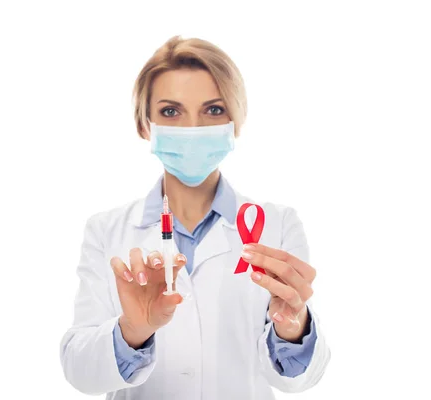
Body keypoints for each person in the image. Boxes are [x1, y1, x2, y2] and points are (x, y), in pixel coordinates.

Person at [59, 35, 330, 400]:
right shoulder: (106, 231)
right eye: (171, 111)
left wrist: (293, 326)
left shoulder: (278, 225)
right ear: (144, 125)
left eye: (214, 110)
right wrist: (131, 332)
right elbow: (81, 372)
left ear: (235, 122)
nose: (192, 128)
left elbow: (296, 380)